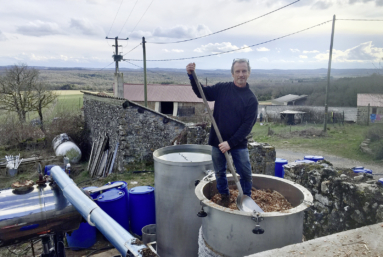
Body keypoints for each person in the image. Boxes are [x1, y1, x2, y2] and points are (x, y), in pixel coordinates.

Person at [186, 59, 258, 207]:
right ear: (232, 74)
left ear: (249, 73)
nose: (241, 74)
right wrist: (191, 77)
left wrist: (230, 143)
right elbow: (202, 93)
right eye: (237, 71)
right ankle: (224, 196)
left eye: (244, 71)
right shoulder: (222, 89)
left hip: (238, 143)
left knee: (245, 174)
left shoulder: (251, 99)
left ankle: (246, 200)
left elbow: (247, 126)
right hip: (218, 141)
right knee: (219, 172)